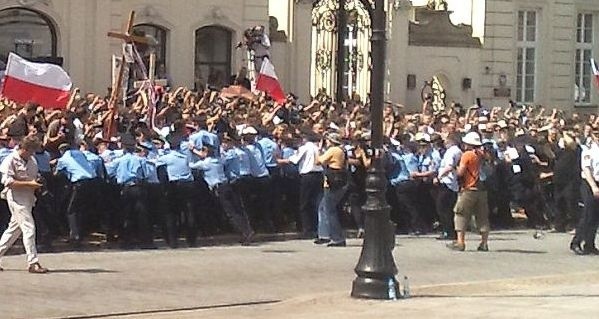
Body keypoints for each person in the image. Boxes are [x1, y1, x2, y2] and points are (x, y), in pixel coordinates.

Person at [0, 135, 48, 273]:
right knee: (29, 228)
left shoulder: (31, 160)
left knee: (13, 230)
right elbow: (8, 182)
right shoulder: (10, 160)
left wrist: (37, 182)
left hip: (28, 197)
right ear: (25, 148)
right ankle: (33, 262)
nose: (33, 153)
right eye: (31, 150)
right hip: (16, 197)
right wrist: (29, 183)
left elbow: (33, 176)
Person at [447, 132, 490, 252]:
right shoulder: (482, 155)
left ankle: (460, 242)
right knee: (482, 216)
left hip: (468, 189)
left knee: (460, 214)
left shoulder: (467, 155)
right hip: (481, 189)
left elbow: (461, 172)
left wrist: (454, 169)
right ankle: (484, 243)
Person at [279, 132, 324, 238]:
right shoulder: (317, 147)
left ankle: (306, 229)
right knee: (316, 202)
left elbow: (294, 160)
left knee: (304, 203)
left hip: (307, 175)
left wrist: (280, 161)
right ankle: (317, 227)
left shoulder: (304, 148)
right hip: (318, 175)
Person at [55, 143, 97, 248]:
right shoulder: (79, 154)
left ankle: (75, 235)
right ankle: (83, 233)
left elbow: (56, 173)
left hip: (79, 183)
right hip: (92, 181)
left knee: (71, 210)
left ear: (61, 151)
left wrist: (55, 164)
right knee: (82, 209)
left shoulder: (63, 159)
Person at [314, 133, 348, 247]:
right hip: (338, 181)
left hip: (331, 183)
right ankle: (325, 234)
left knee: (330, 210)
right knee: (323, 208)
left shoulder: (333, 150)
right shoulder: (342, 150)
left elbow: (319, 161)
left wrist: (319, 150)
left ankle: (337, 238)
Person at [570, 131, 599, 255]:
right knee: (587, 214)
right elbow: (586, 169)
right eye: (597, 134)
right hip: (589, 183)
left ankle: (590, 244)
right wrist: (594, 187)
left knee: (596, 216)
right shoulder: (589, 150)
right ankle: (576, 242)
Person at [434, 133, 462, 240]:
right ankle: (450, 231)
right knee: (448, 208)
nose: (444, 142)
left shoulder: (451, 151)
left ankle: (448, 231)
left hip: (447, 182)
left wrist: (439, 176)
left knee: (442, 208)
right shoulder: (458, 151)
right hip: (453, 183)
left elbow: (449, 166)